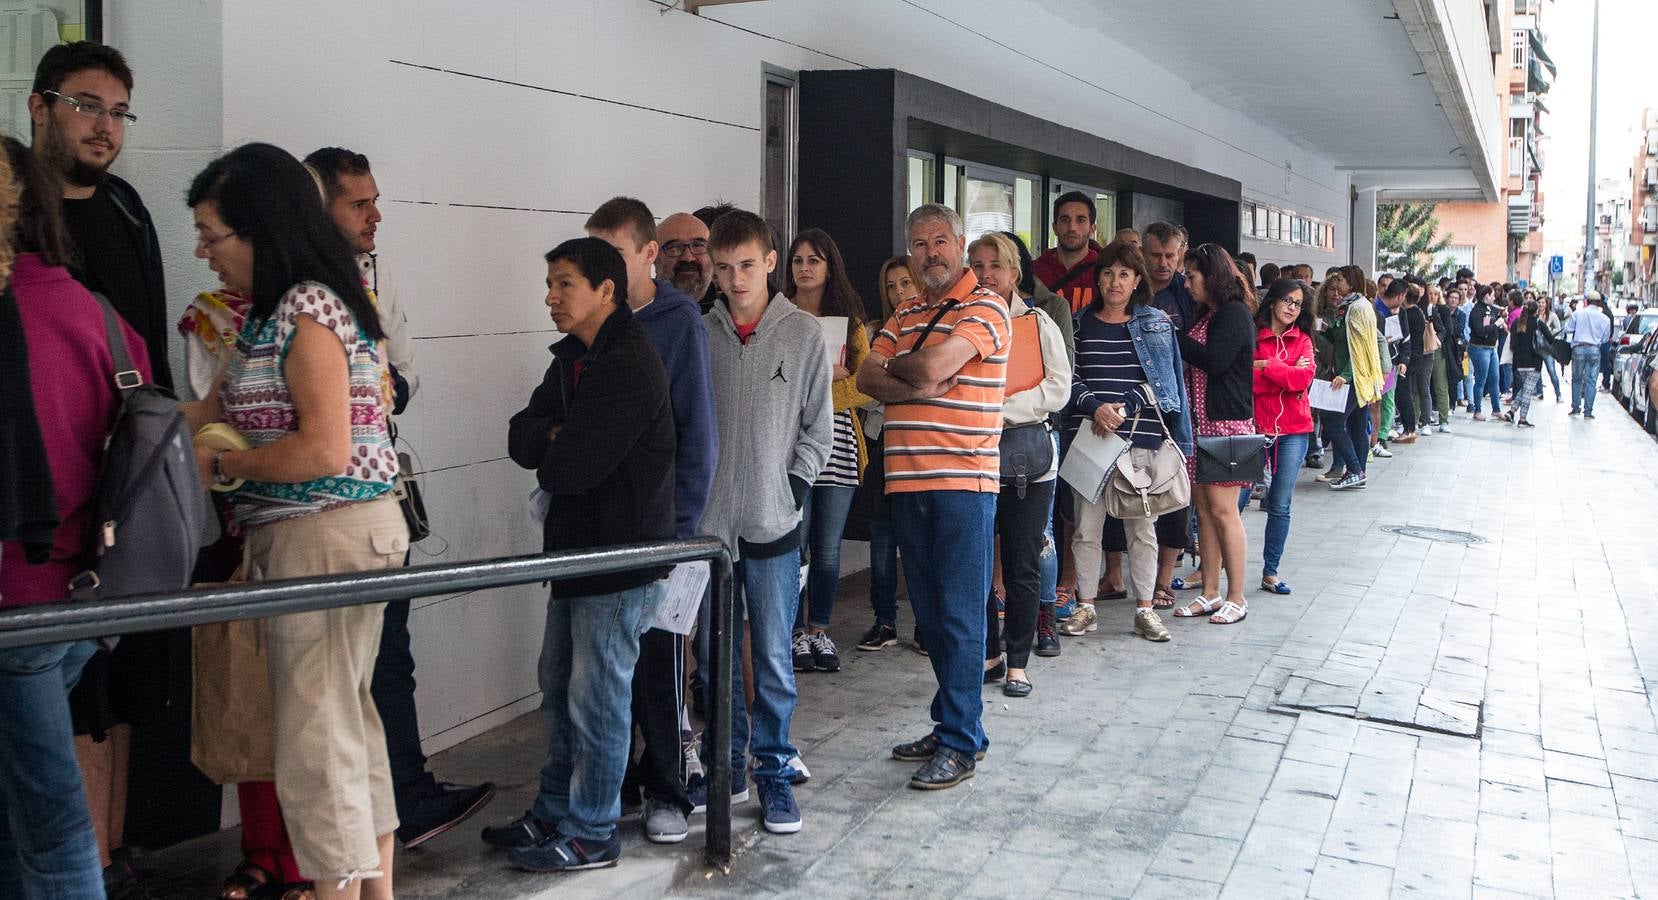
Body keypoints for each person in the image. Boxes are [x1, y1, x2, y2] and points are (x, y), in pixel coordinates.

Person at [182, 143, 402, 900]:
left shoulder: (309, 306)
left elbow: (323, 447)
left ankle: (338, 889)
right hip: (326, 532)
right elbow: (208, 414)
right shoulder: (272, 313)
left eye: (214, 236)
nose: (205, 253)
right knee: (346, 724)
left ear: (261, 229)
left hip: (325, 530)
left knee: (316, 741)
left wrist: (228, 467)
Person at [305, 146, 498, 849]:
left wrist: (383, 389)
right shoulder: (295, 297)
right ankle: (357, 829)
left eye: (374, 200)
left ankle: (403, 799)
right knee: (343, 677)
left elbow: (406, 369)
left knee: (391, 653)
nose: (375, 216)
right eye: (358, 203)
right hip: (321, 516)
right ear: (315, 207)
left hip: (379, 496)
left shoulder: (371, 280)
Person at [0, 133, 149, 900]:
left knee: (51, 817)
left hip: (18, 603)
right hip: (91, 595)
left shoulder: (11, 310)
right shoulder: (95, 311)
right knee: (21, 807)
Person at [498, 237, 674, 873]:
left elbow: (571, 468)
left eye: (564, 283)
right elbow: (521, 437)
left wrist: (557, 440)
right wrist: (554, 435)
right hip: (574, 556)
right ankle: (554, 810)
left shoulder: (627, 361)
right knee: (557, 687)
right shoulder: (574, 357)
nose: (551, 296)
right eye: (550, 283)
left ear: (606, 289)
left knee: (597, 696)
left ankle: (594, 828)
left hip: (618, 558)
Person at [856, 203, 1009, 790]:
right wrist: (915, 374)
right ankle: (954, 723)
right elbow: (865, 377)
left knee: (960, 616)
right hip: (907, 482)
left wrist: (914, 370)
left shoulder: (986, 306)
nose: (929, 254)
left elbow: (935, 365)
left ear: (960, 243)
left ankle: (961, 743)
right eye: (918, 245)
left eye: (939, 241)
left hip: (962, 486)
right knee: (933, 620)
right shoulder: (908, 307)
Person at [583, 196, 717, 845]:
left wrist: (683, 530)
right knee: (611, 664)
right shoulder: (595, 318)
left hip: (667, 528)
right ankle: (626, 778)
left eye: (612, 253)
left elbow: (699, 432)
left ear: (647, 254)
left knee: (661, 663)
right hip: (607, 527)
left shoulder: (678, 320)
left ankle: (670, 789)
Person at [694, 209, 832, 832]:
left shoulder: (802, 334)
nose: (736, 278)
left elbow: (818, 427)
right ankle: (728, 767)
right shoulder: (702, 333)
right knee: (714, 658)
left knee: (773, 655)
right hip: (711, 531)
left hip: (774, 523)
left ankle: (775, 768)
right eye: (723, 268)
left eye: (746, 265)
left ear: (771, 261)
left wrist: (792, 490)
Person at [1062, 239, 1192, 643]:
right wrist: (1096, 406)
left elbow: (1167, 383)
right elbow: (1067, 378)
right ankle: (1086, 607)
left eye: (1124, 274)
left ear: (1137, 280)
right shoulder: (1079, 323)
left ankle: (1145, 610)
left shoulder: (1155, 322)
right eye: (1107, 273)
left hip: (1140, 437)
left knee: (1142, 528)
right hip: (1091, 436)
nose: (1114, 282)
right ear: (1097, 278)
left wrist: (1124, 406)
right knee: (1086, 528)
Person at [28, 42, 171, 391]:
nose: (106, 126)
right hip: (40, 432)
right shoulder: (9, 210)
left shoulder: (127, 206)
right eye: (88, 106)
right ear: (39, 108)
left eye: (119, 112)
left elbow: (152, 339)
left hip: (128, 431)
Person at [967, 233, 1070, 693]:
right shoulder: (959, 321)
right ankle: (989, 654)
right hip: (973, 454)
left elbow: (1058, 388)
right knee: (978, 564)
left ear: (1014, 272)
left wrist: (999, 408)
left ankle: (1019, 663)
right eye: (977, 265)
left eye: (995, 265)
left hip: (1029, 459)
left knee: (1022, 564)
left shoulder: (1037, 321)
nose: (986, 274)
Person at [779, 228, 871, 675]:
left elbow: (866, 386)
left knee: (828, 547)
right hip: (789, 444)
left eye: (814, 260)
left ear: (829, 267)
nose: (804, 268)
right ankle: (793, 632)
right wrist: (821, 380)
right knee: (795, 543)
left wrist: (826, 385)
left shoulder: (850, 320)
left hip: (838, 442)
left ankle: (819, 629)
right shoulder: (777, 316)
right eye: (798, 260)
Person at [1171, 244, 1256, 625]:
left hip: (1226, 426)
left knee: (1224, 512)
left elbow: (1216, 362)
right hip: (1201, 425)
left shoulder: (1235, 313)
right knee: (1204, 512)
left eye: (1192, 276)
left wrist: (1175, 335)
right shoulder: (1210, 314)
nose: (1187, 284)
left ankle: (1237, 595)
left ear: (1212, 276)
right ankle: (1210, 592)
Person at [855, 256, 923, 653]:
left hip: (924, 445)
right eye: (892, 286)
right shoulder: (875, 332)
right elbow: (865, 388)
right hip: (883, 443)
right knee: (882, 536)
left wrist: (892, 381)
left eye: (906, 283)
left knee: (918, 539)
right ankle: (884, 620)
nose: (899, 293)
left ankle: (924, 623)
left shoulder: (936, 329)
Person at [1139, 221, 1199, 601]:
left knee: (1173, 495)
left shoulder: (1190, 297)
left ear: (1180, 256)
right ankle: (1115, 575)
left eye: (1169, 256)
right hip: (1133, 406)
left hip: (1177, 407)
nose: (1162, 263)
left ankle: (1163, 580)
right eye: (1155, 256)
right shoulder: (1130, 290)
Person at [1248, 278, 1315, 594]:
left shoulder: (1303, 340)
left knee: (1280, 503)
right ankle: (1211, 566)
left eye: (1298, 303)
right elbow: (1247, 381)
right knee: (1236, 499)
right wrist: (1284, 369)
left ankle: (1270, 571)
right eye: (1287, 300)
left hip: (1293, 430)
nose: (1292, 307)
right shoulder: (1254, 335)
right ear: (1272, 301)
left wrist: (1268, 366)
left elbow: (1303, 380)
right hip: (1256, 428)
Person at [1033, 190, 1101, 312]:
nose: (1072, 227)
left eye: (1080, 220)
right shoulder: (1034, 272)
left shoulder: (1104, 271)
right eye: (1065, 220)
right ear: (1055, 227)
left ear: (1092, 229)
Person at [1504, 300, 1554, 428]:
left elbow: (1513, 342)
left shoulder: (1516, 323)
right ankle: (1522, 419)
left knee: (1526, 388)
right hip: (1534, 362)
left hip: (1519, 362)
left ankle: (1512, 411)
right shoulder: (1538, 324)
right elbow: (1551, 339)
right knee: (1527, 392)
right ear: (1536, 311)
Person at [1566, 292, 1613, 418]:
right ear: (1599, 303)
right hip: (1594, 350)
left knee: (1576, 379)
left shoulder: (1578, 313)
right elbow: (1605, 338)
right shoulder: (1605, 319)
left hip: (1578, 348)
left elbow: (1568, 329)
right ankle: (1588, 411)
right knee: (1591, 381)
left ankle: (1576, 408)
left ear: (1586, 301)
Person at [655, 212, 714, 305]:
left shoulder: (732, 311)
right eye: (674, 248)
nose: (688, 258)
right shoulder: (634, 313)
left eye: (698, 245)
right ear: (654, 257)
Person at [1467, 284, 1505, 420]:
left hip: (1491, 348)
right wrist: (1496, 324)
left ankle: (1496, 409)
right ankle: (1477, 409)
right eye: (1493, 295)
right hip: (1479, 348)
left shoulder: (1490, 309)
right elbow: (1480, 331)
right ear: (1486, 296)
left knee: (1495, 378)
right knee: (1481, 379)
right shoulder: (1477, 311)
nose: (1494, 298)